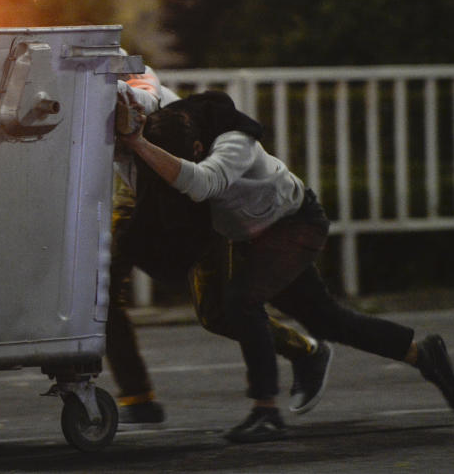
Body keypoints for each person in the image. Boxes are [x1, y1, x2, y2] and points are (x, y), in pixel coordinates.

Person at [118, 90, 454, 442]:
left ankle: (266, 411)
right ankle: (422, 354)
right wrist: (131, 135)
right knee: (326, 320)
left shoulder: (234, 143)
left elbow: (201, 184)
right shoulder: (174, 128)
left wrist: (140, 146)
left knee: (241, 301)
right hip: (251, 238)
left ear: (195, 148)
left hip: (293, 225)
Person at [108, 74, 332, 426]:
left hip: (178, 182)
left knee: (217, 311)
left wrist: (129, 107)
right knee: (102, 289)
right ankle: (136, 396)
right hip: (137, 185)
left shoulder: (117, 71)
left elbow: (144, 92)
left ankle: (303, 352)